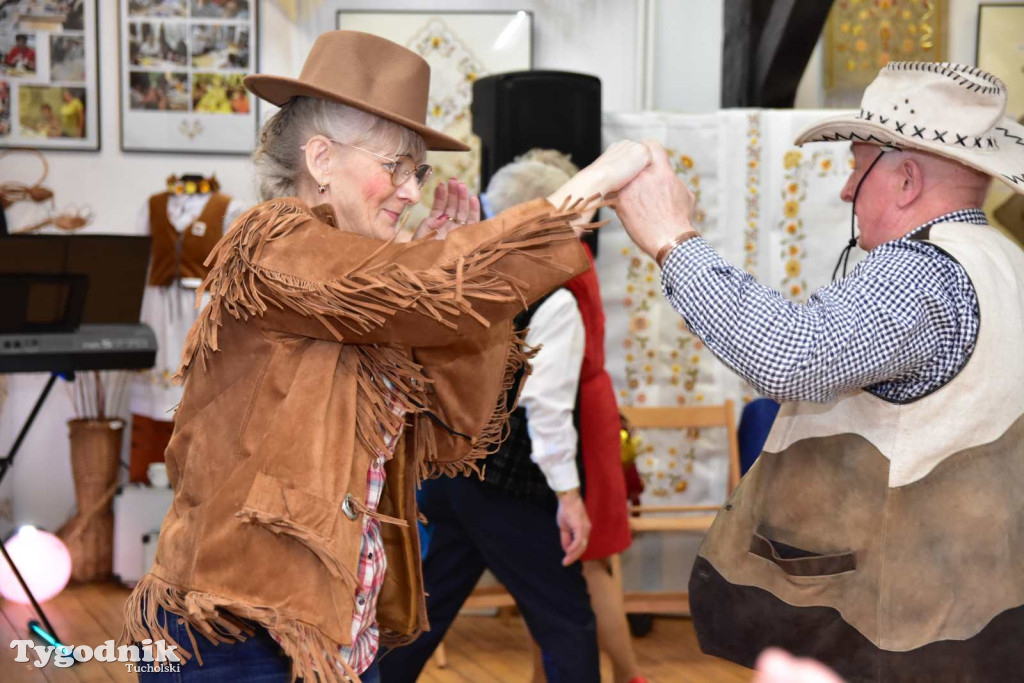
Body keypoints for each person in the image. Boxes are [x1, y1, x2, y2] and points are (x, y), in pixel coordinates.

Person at [119, 30, 649, 683]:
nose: (410, 190)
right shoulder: (272, 241)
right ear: (320, 159)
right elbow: (413, 292)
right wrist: (575, 197)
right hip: (240, 633)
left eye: (418, 170)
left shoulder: (364, 282)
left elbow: (459, 418)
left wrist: (458, 277)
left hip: (338, 629)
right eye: (395, 165)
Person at [615, 61, 1024, 681]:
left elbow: (794, 358)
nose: (844, 189)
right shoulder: (1007, 262)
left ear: (907, 178)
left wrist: (674, 240)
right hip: (983, 608)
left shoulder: (923, 271)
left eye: (858, 166)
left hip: (899, 626)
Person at [489, 150, 645, 683]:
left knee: (584, 558)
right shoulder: (561, 259)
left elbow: (548, 389)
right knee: (564, 562)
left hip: (574, 413)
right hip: (576, 408)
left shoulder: (558, 269)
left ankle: (626, 675)